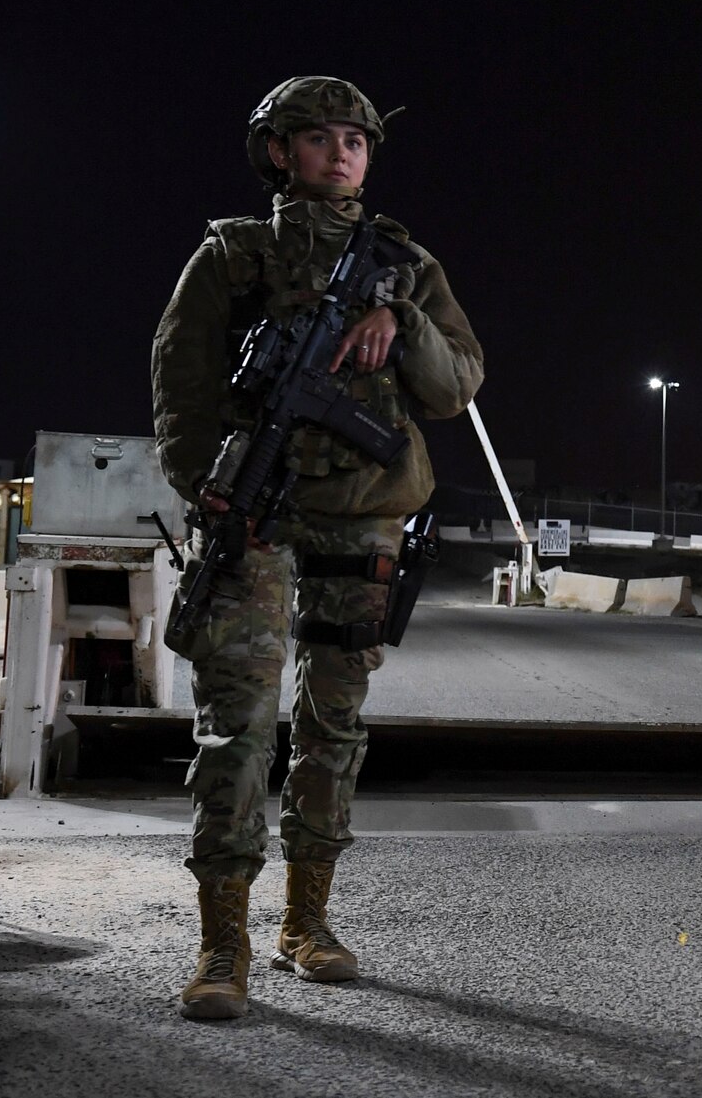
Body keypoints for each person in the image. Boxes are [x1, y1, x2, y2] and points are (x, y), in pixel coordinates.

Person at [152, 78, 483, 1018]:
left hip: (365, 512)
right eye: (319, 138)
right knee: (240, 725)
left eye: (356, 140)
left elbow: (456, 383)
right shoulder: (233, 254)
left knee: (332, 725)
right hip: (256, 509)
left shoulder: (406, 264)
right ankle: (225, 946)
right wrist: (206, 487)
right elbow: (180, 385)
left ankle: (308, 924)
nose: (341, 154)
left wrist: (399, 320)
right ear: (278, 151)